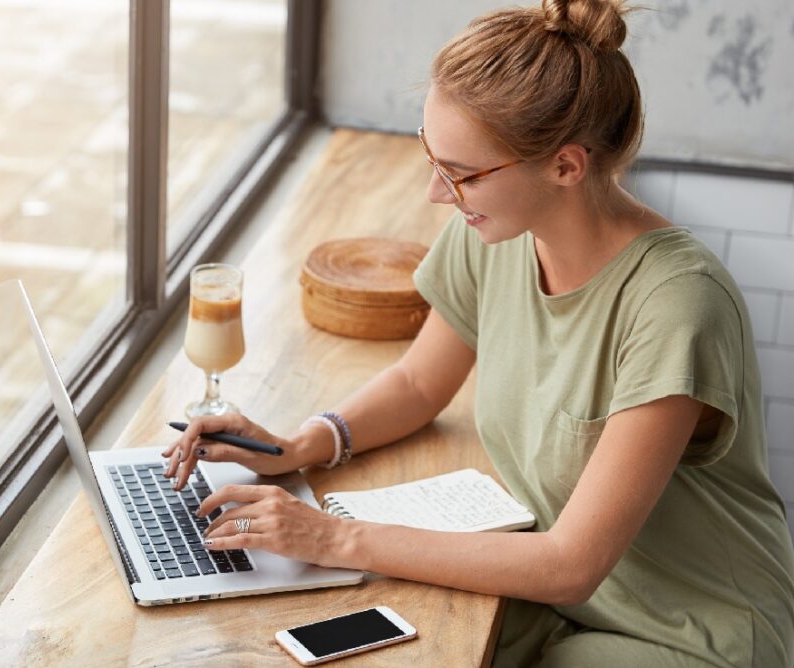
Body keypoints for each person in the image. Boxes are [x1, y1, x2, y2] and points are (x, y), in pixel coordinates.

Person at [163, 0, 794, 664]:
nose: (438, 193)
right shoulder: (498, 231)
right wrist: (299, 446)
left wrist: (332, 537)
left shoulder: (677, 304)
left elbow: (570, 565)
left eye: (461, 174)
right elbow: (418, 382)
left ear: (566, 166)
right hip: (552, 598)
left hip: (689, 633)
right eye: (432, 156)